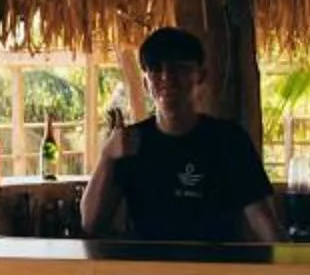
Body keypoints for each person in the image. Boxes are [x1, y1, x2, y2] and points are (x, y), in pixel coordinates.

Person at [81, 25, 279, 246]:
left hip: (217, 272)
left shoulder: (228, 140)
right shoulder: (130, 143)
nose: (168, 77)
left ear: (200, 76)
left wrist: (291, 270)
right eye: (156, 69)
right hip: (147, 272)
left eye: (180, 68)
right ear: (146, 83)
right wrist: (107, 156)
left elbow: (264, 223)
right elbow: (90, 223)